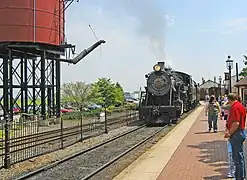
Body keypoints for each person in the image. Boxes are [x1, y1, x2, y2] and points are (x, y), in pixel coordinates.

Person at [224, 93, 246, 180]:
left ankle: (239, 177)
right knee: (240, 157)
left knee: (237, 158)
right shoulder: (239, 106)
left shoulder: (235, 107)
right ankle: (241, 176)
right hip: (240, 132)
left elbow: (236, 123)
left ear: (229, 100)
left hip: (236, 134)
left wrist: (229, 133)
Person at [222, 99, 235, 178]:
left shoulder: (231, 107)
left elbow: (223, 106)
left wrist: (228, 133)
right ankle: (234, 171)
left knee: (231, 154)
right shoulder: (238, 106)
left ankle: (232, 172)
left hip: (232, 134)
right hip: (235, 133)